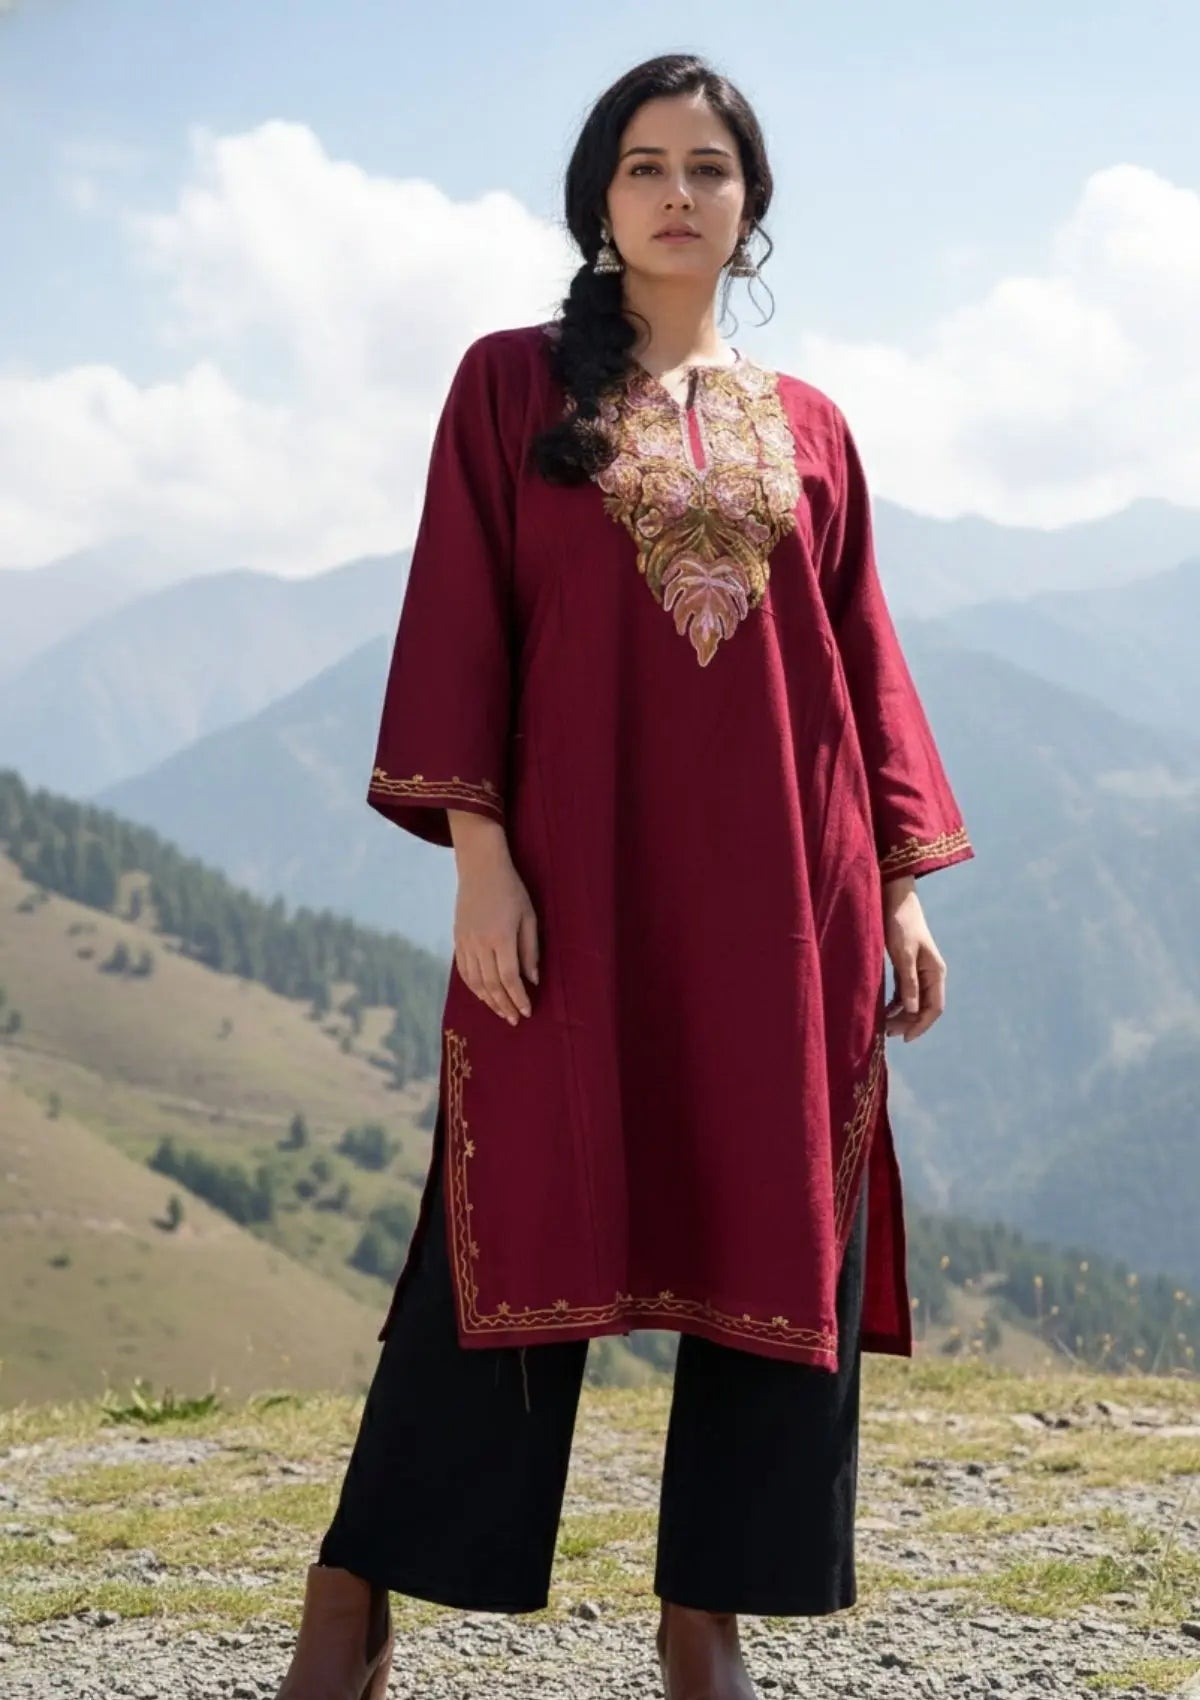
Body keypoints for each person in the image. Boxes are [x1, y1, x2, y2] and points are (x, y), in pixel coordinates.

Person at [272, 50, 973, 1700]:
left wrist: (901, 882)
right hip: (574, 891)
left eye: (709, 169)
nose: (678, 193)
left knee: (771, 1231)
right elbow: (461, 617)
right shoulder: (510, 387)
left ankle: (704, 1620)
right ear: (600, 196)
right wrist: (482, 862)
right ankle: (358, 1587)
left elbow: (857, 661)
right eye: (647, 165)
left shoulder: (815, 428)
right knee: (506, 1222)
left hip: (782, 907)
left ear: (751, 205)